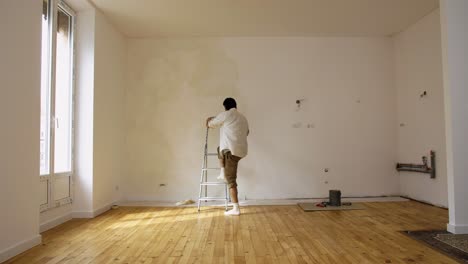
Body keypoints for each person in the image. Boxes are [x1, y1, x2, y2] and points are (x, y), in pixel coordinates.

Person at [206, 98, 249, 216]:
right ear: (236, 105)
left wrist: (209, 120)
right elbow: (247, 132)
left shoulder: (226, 115)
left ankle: (236, 208)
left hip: (231, 152)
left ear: (225, 107)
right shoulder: (243, 118)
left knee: (231, 181)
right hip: (240, 151)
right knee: (219, 149)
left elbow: (210, 125)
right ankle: (222, 171)